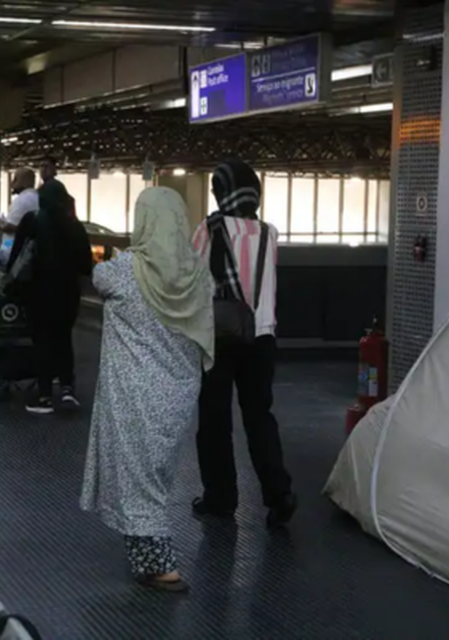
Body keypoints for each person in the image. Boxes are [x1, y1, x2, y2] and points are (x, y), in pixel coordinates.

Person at [80, 186, 214, 592]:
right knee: (154, 475)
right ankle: (145, 558)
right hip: (176, 395)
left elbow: (96, 275)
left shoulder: (123, 272)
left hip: (137, 395)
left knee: (141, 481)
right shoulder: (198, 275)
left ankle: (162, 566)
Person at [191, 158, 298, 528]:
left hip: (220, 337)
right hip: (263, 337)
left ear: (221, 192)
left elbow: (195, 278)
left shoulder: (209, 229)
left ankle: (220, 498)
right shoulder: (270, 232)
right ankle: (278, 492)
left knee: (215, 419)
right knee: (259, 416)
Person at [9, 179, 92, 414]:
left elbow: (17, 255)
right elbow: (86, 264)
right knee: (64, 339)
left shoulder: (33, 220)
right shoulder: (74, 225)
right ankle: (67, 389)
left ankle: (45, 395)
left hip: (37, 292)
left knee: (42, 341)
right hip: (67, 293)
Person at [0, 167, 37, 264]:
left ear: (25, 181)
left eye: (16, 179)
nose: (12, 184)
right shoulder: (37, 197)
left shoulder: (22, 200)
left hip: (12, 249)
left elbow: (11, 227)